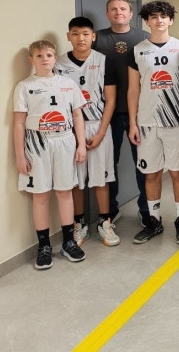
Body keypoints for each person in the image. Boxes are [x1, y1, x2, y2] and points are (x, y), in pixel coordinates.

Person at [13, 40, 87, 269]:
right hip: (37, 143)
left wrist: (81, 145)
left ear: (55, 58)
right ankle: (44, 246)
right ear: (31, 60)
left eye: (49, 55)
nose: (45, 59)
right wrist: (19, 155)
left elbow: (77, 116)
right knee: (40, 195)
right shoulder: (24, 86)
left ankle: (68, 241)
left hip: (64, 140)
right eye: (39, 56)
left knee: (65, 192)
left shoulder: (68, 83)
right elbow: (19, 123)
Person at [128, 1, 179, 244]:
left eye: (164, 16)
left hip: (176, 120)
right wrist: (133, 123)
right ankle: (154, 221)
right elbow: (133, 90)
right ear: (147, 21)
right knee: (151, 174)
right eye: (154, 16)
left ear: (171, 20)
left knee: (177, 173)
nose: (159, 20)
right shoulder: (137, 50)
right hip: (147, 122)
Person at [55, 17, 119, 247]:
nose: (80, 38)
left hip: (98, 124)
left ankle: (105, 222)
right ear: (68, 36)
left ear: (93, 36)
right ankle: (79, 223)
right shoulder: (58, 64)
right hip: (71, 129)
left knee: (101, 178)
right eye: (75, 33)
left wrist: (101, 133)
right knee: (76, 180)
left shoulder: (104, 61)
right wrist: (73, 133)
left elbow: (110, 100)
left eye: (85, 34)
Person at [93, 0, 149, 226]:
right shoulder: (97, 38)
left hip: (139, 112)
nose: (118, 12)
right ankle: (111, 210)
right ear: (107, 14)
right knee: (109, 164)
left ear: (130, 13)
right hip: (108, 113)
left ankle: (146, 210)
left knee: (143, 164)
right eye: (113, 9)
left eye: (123, 8)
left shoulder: (144, 37)